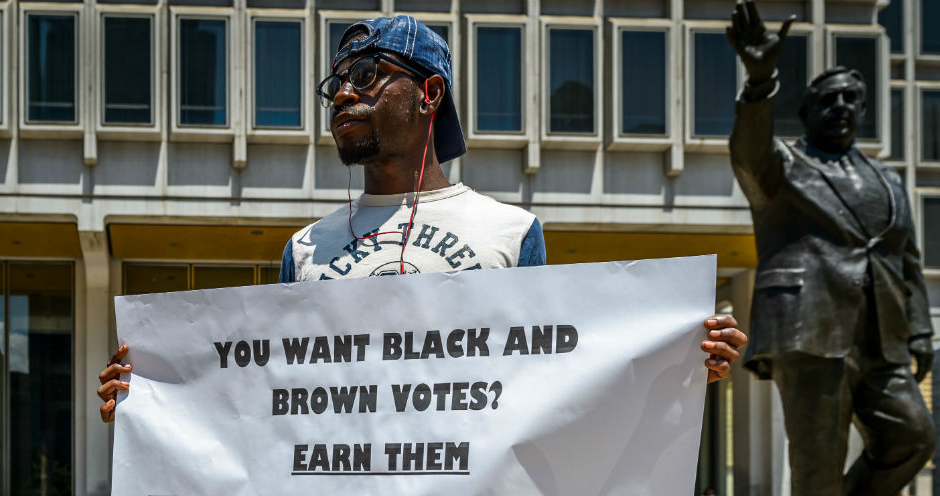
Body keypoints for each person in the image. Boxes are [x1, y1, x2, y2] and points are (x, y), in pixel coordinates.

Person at [97, 15, 747, 420]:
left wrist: (676, 361)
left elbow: (549, 387)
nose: (344, 93)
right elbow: (272, 396)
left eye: (369, 74)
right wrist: (155, 396)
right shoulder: (305, 249)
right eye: (336, 85)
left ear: (430, 92)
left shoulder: (510, 234)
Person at [726, 2, 936, 496]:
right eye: (828, 99)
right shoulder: (784, 167)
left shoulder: (888, 181)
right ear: (807, 110)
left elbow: (907, 261)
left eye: (850, 98)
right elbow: (748, 155)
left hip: (882, 335)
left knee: (913, 436)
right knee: (815, 466)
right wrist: (761, 79)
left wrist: (920, 330)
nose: (841, 106)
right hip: (809, 327)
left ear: (863, 109)